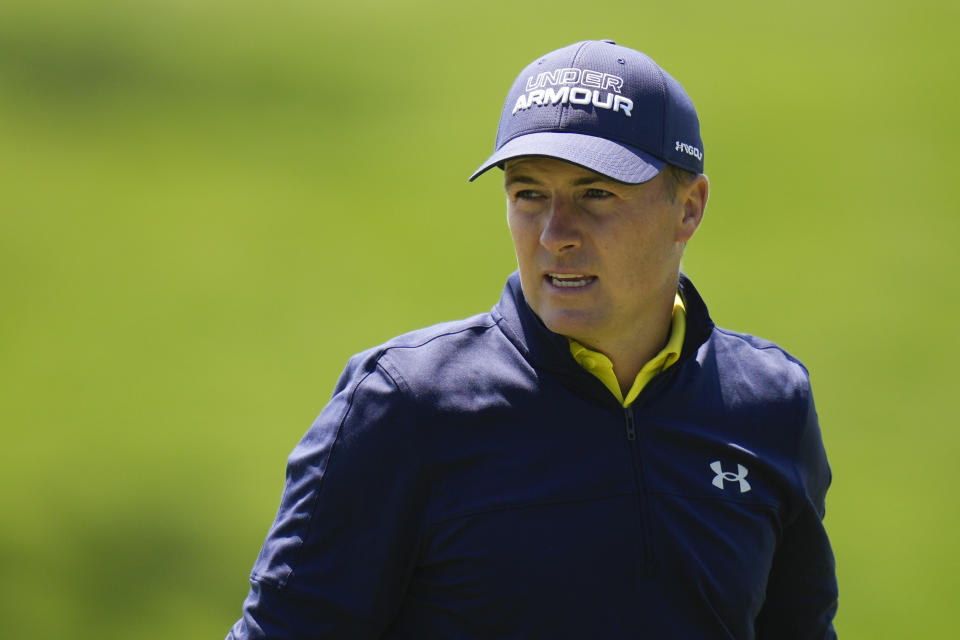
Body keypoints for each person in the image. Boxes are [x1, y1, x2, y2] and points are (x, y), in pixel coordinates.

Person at [226, 39, 838, 639]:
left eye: (596, 193)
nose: (555, 234)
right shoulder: (402, 406)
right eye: (528, 195)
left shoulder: (770, 404)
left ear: (689, 208)